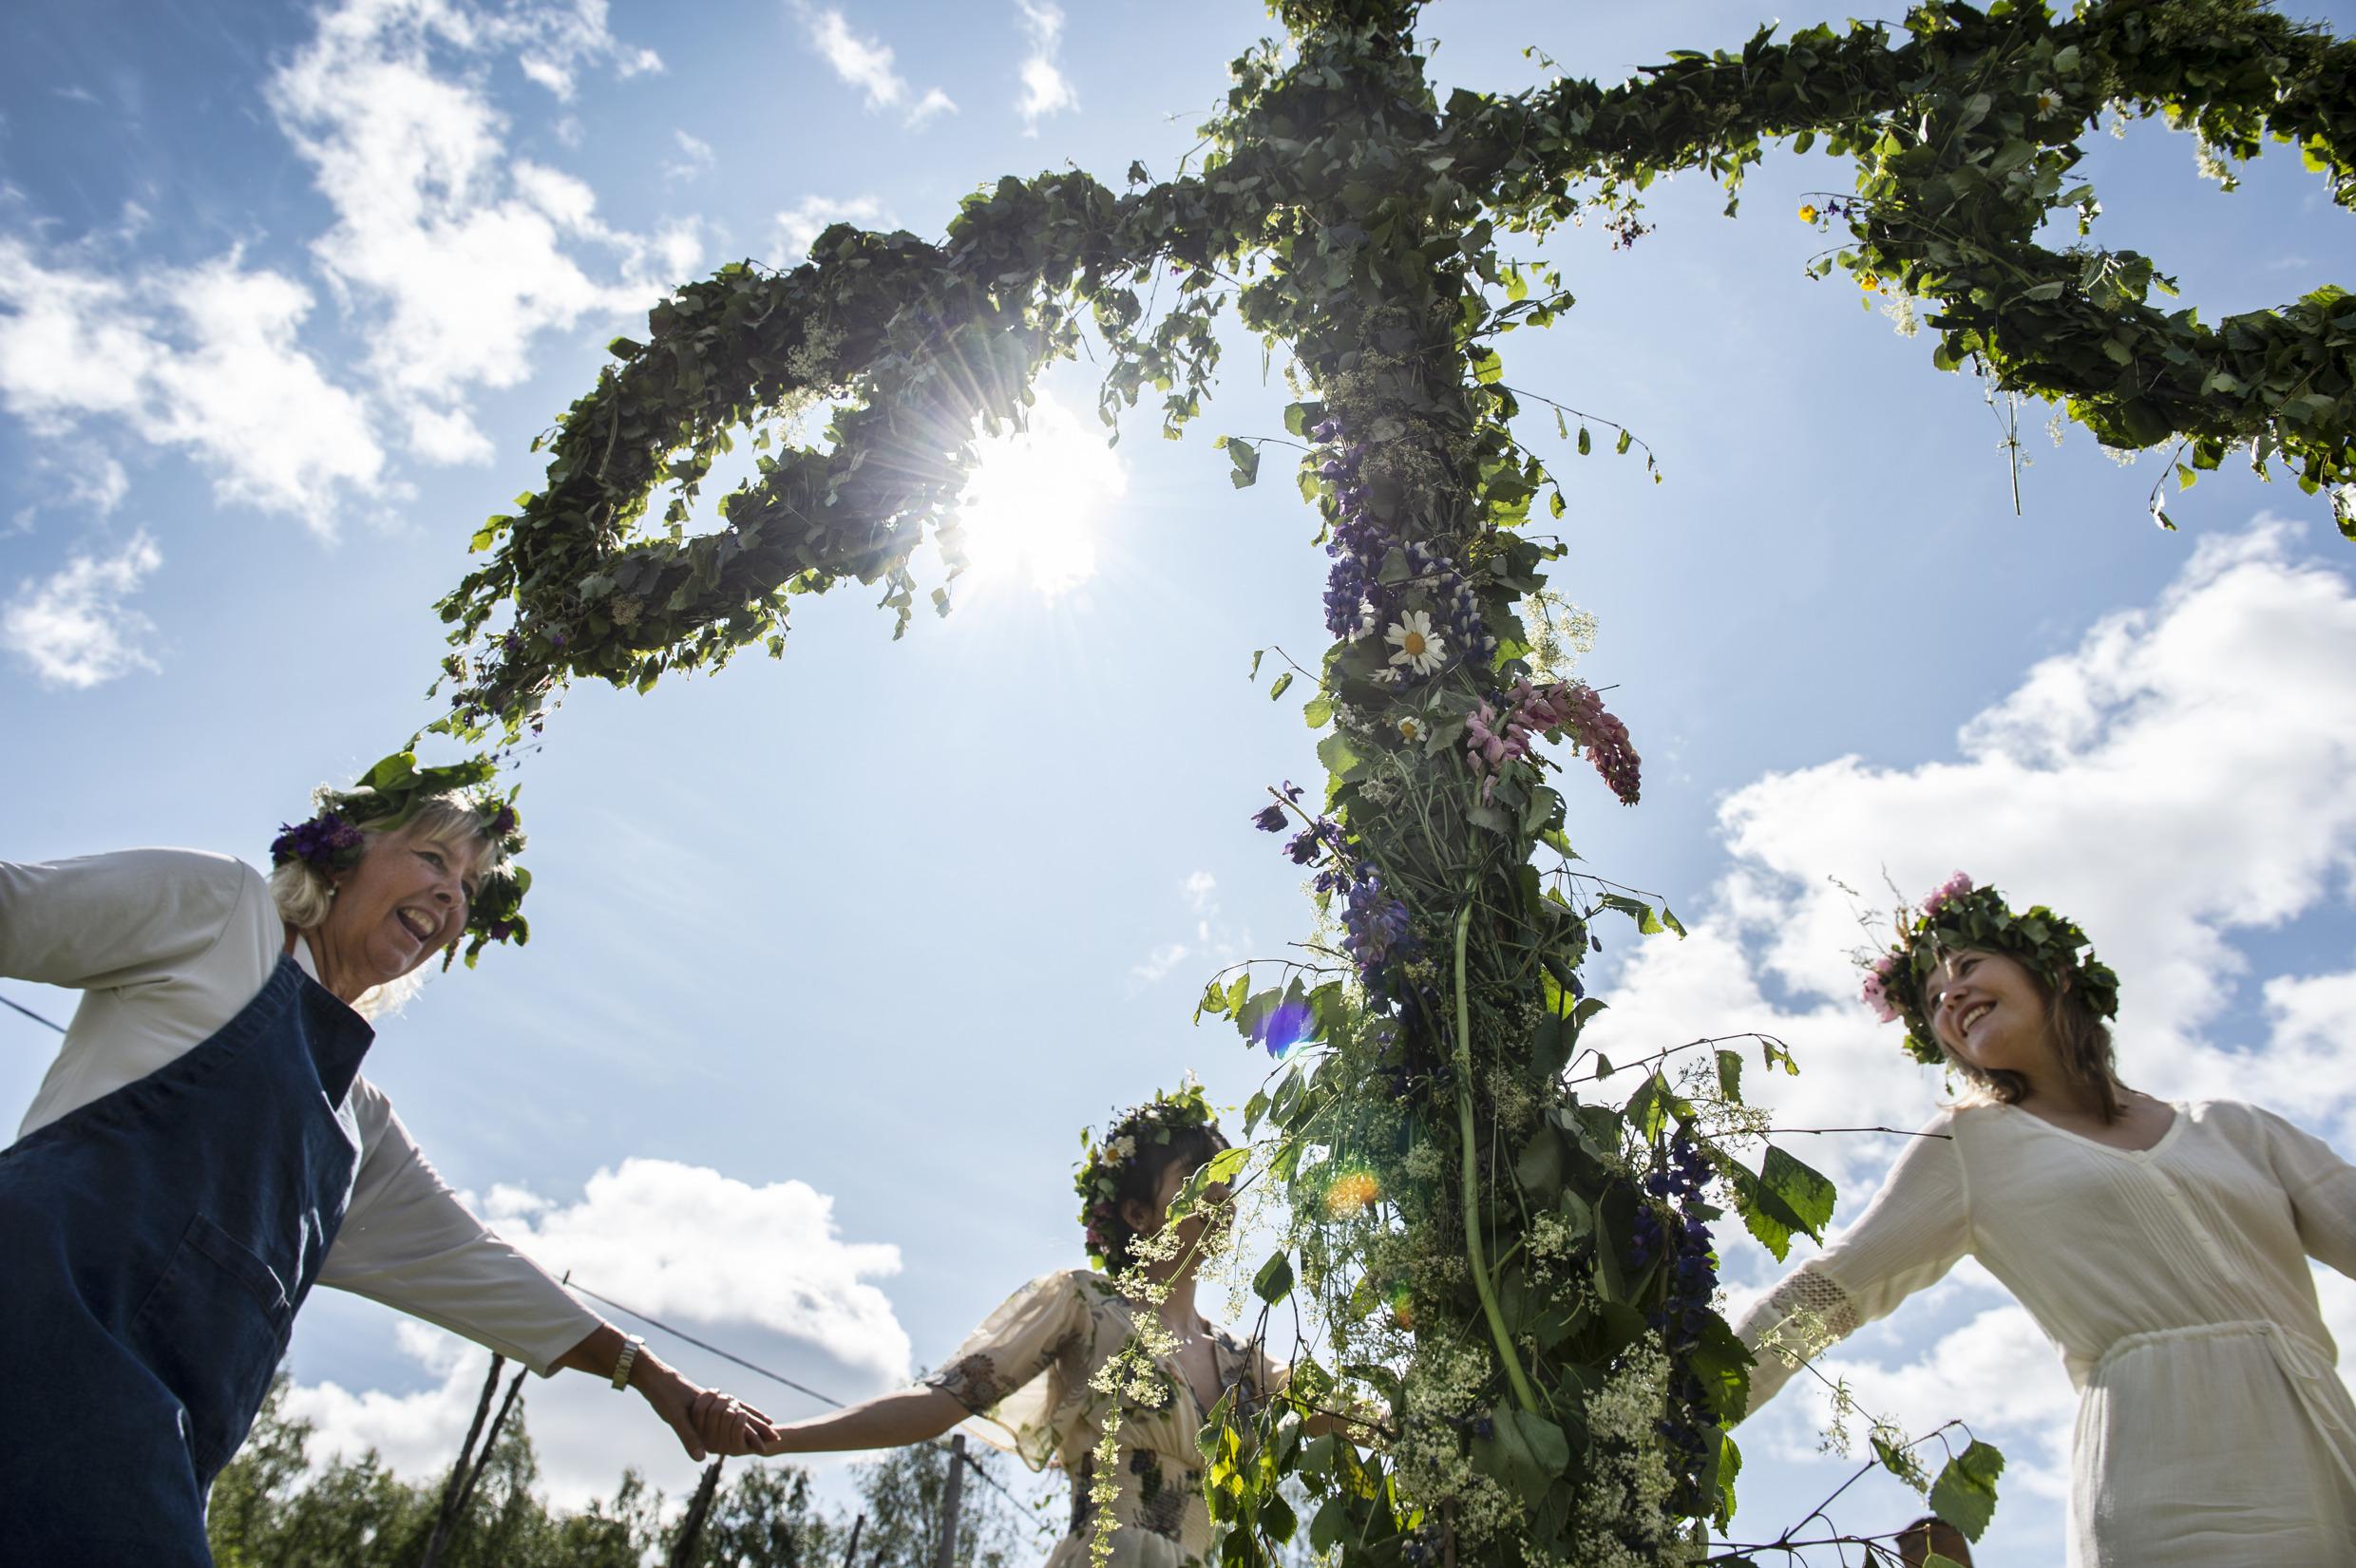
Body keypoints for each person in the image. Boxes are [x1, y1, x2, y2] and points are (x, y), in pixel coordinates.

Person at [1, 751, 771, 1565]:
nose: (451, 893)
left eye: (468, 887)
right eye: (434, 858)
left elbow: (479, 1265)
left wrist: (655, 1377)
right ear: (342, 854)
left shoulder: (357, 1128)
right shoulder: (223, 912)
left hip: (161, 1439)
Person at [1733, 874, 2356, 1566]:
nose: (1951, 996)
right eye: (1935, 1000)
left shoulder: (2236, 1128)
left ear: (2052, 971)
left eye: (1968, 967)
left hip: (2322, 1453)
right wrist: (1673, 1419)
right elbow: (1827, 1293)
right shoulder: (1970, 1145)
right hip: (2165, 1479)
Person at [758, 1080, 1279, 1566]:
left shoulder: (1242, 1361)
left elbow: (1344, 1414)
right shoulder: (1087, 1305)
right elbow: (938, 1402)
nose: (1220, 1197)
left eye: (1226, 1181)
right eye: (1196, 1180)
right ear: (1138, 1214)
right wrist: (774, 1437)